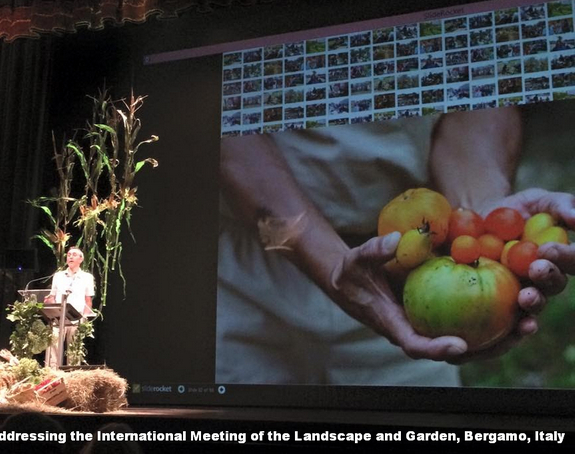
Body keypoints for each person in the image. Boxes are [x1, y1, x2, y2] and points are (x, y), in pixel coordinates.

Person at [216, 106, 575, 385]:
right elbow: (230, 141)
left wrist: (478, 213)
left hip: (402, 276)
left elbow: (479, 95)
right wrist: (325, 259)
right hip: (245, 265)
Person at [44, 247, 95, 367]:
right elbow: (52, 295)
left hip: (76, 318)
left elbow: (88, 300)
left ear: (81, 259)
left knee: (74, 351)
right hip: (58, 318)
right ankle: (52, 374)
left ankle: (72, 375)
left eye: (74, 255)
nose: (70, 257)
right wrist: (48, 302)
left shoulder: (87, 277)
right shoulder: (58, 276)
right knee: (53, 347)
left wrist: (84, 319)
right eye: (68, 255)